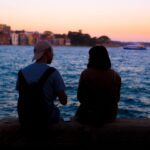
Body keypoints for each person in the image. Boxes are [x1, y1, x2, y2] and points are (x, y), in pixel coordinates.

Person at [16, 40, 67, 129]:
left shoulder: (22, 73)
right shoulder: (53, 72)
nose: (53, 55)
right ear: (47, 53)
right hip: (44, 120)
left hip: (25, 119)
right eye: (52, 52)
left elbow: (21, 94)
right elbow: (64, 101)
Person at [75, 45, 121, 126]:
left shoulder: (86, 73)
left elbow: (80, 97)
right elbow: (117, 98)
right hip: (109, 116)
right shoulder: (115, 75)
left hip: (89, 115)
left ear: (92, 58)